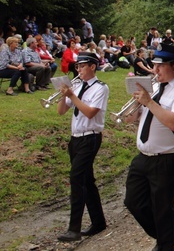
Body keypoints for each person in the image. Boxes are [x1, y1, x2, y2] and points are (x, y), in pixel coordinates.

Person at [124, 44, 174, 251]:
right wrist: (135, 104)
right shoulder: (153, 89)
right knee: (133, 201)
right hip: (143, 156)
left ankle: (165, 244)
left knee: (163, 208)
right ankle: (164, 237)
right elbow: (130, 120)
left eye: (160, 66)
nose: (155, 70)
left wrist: (148, 102)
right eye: (154, 65)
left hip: (167, 158)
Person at [56, 52, 108, 241]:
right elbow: (61, 111)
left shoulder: (101, 88)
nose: (78, 70)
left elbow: (90, 112)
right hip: (75, 138)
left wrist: (72, 96)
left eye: (82, 66)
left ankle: (74, 228)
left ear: (92, 67)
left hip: (90, 137)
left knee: (76, 178)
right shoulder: (76, 85)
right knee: (86, 180)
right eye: (77, 67)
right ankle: (99, 222)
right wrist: (64, 96)